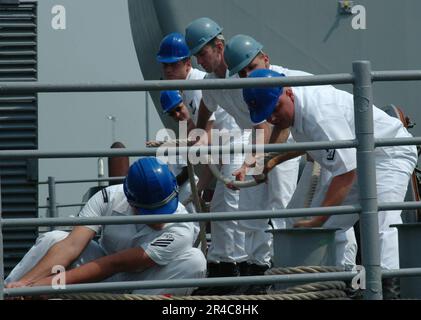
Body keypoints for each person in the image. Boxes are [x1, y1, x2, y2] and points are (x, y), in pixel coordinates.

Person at [242, 69, 417, 277]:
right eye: (266, 114)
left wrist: (318, 218)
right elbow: (313, 142)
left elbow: (345, 173)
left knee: (380, 222)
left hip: (388, 154)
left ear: (288, 92)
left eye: (276, 108)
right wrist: (272, 161)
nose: (272, 117)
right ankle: (338, 281)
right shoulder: (296, 108)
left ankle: (390, 288)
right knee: (327, 229)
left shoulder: (318, 112)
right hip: (358, 159)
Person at [184, 17, 300, 293]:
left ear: (219, 46)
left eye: (202, 52)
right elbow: (206, 108)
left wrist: (257, 159)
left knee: (280, 204)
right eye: (196, 55)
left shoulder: (244, 75)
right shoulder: (213, 82)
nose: (199, 60)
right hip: (259, 138)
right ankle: (256, 271)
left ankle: (281, 272)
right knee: (250, 208)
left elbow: (266, 122)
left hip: (283, 133)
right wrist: (197, 136)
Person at [224, 33, 358, 268]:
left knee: (334, 210)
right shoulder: (259, 87)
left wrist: (259, 162)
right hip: (315, 147)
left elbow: (283, 132)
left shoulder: (286, 81)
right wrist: (258, 163)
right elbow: (281, 131)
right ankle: (306, 270)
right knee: (297, 215)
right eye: (242, 73)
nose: (248, 76)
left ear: (266, 59)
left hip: (335, 140)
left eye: (251, 67)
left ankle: (342, 271)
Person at [5, 157, 206, 296]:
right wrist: (25, 285)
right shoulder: (107, 198)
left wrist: (44, 286)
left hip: (147, 281)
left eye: (165, 209)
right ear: (132, 202)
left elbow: (116, 264)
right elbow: (71, 246)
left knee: (195, 261)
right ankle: (7, 291)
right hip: (101, 274)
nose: (161, 218)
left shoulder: (182, 224)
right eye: (152, 212)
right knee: (54, 239)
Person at [156, 33, 249, 294]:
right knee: (227, 209)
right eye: (165, 65)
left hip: (237, 144)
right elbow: (205, 141)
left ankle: (233, 271)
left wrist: (207, 176)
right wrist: (207, 181)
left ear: (188, 64)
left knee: (230, 209)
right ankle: (227, 270)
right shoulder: (186, 89)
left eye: (173, 64)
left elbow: (209, 136)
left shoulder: (196, 85)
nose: (167, 70)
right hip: (225, 149)